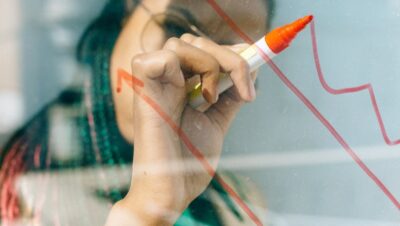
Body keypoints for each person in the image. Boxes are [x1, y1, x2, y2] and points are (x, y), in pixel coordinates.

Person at [0, 0, 274, 225]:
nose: (199, 69)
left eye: (231, 63)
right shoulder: (22, 187)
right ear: (125, 13)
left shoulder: (239, 202)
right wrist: (148, 211)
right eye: (175, 28)